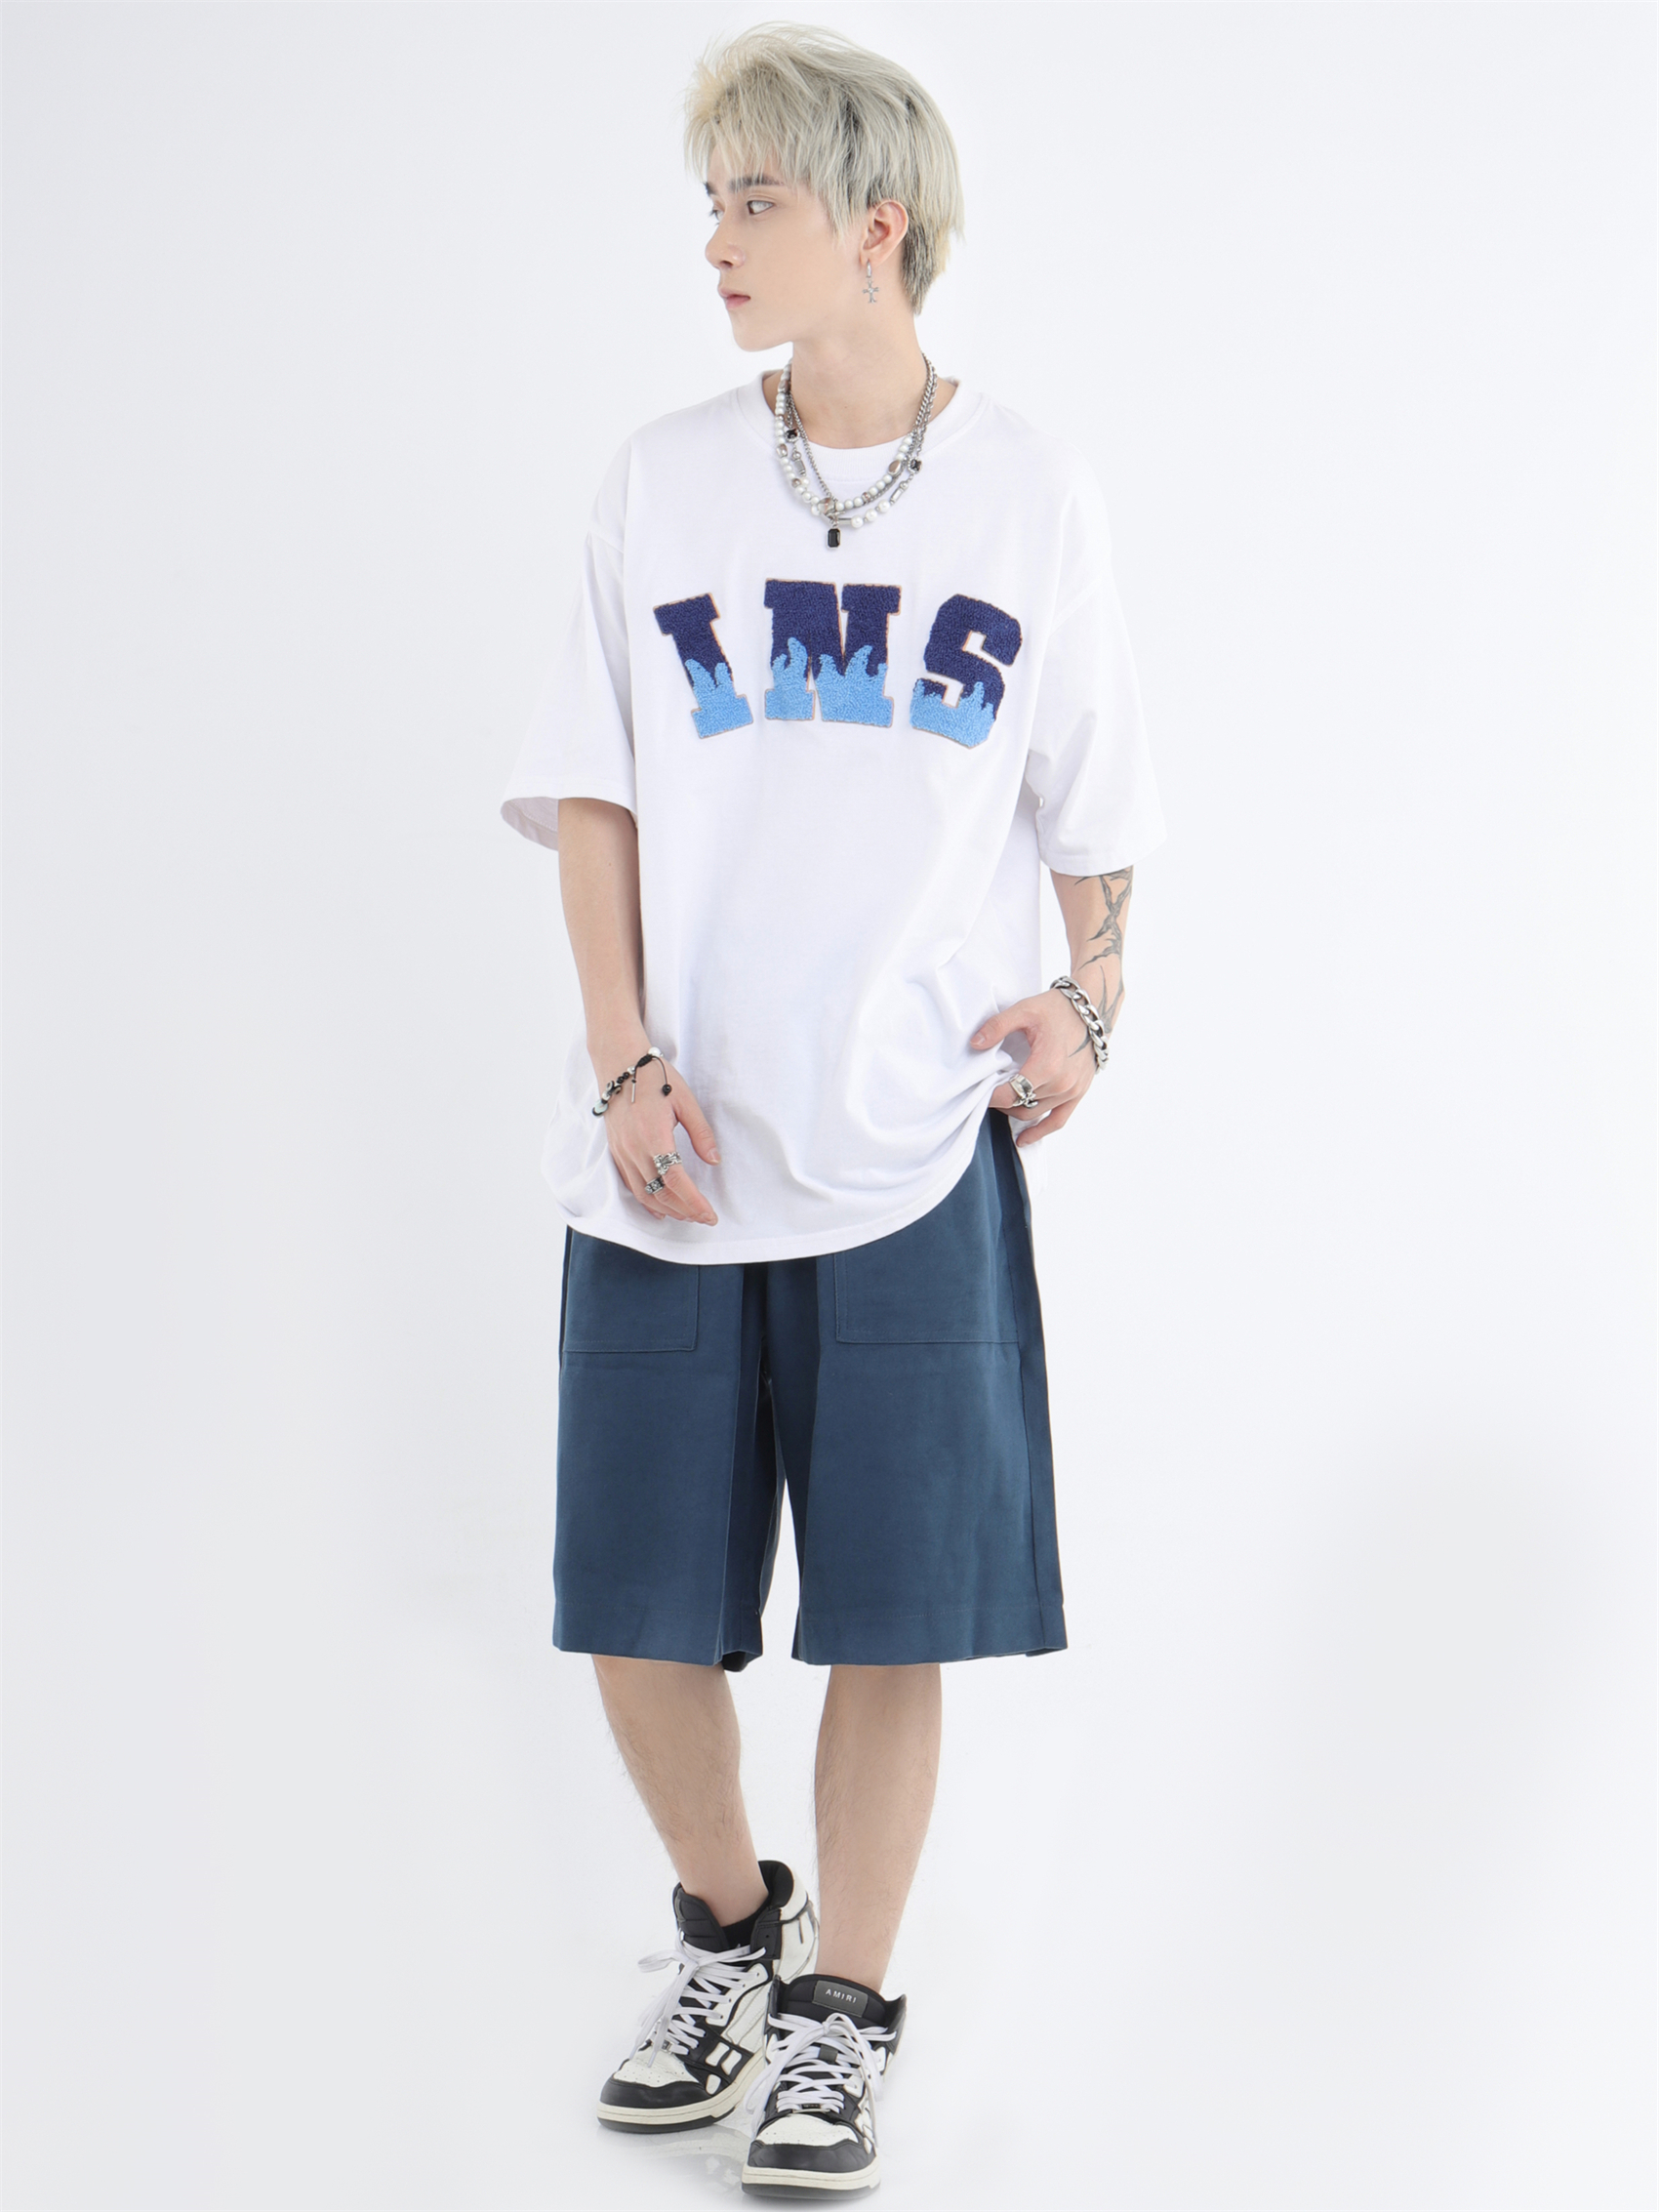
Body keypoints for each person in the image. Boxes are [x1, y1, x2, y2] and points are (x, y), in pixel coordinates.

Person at [501, 20, 1166, 2196]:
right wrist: (621, 1056)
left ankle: (843, 2015)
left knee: (894, 1612)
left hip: (909, 1147)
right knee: (632, 1608)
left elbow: (1098, 817)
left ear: (875, 226)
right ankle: (730, 1932)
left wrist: (1091, 1000)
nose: (713, 240)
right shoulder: (659, 479)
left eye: (752, 202)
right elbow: (594, 791)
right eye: (709, 201)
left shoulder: (1032, 490)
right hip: (673, 1150)